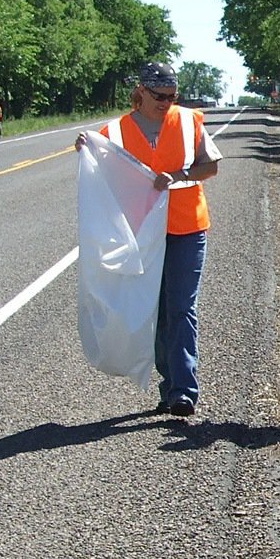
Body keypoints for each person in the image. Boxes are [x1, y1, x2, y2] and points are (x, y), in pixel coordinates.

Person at [75, 62, 222, 416]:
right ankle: (168, 380)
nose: (167, 103)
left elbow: (212, 165)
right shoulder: (116, 131)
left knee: (182, 307)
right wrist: (84, 145)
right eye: (159, 96)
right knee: (157, 309)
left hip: (188, 227)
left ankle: (184, 389)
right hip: (142, 234)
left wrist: (179, 174)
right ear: (140, 91)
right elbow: (99, 161)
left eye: (173, 96)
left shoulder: (189, 121)